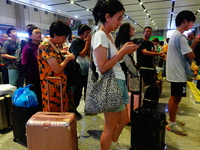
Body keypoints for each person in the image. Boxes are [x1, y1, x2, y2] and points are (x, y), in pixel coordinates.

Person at [92, 0, 140, 149]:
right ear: (107, 16)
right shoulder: (100, 35)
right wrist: (122, 52)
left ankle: (113, 143)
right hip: (111, 84)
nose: (120, 23)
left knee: (125, 119)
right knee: (109, 127)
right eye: (118, 18)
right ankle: (110, 144)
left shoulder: (109, 36)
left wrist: (124, 52)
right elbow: (102, 67)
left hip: (118, 82)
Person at [166, 10, 196, 136]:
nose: (192, 25)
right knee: (175, 97)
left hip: (175, 71)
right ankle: (172, 124)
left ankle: (172, 120)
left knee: (176, 97)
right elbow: (191, 55)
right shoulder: (181, 37)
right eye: (191, 22)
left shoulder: (175, 35)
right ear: (184, 21)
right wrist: (196, 43)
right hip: (178, 73)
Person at [37, 20, 74, 112]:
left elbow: (53, 58)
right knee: (54, 115)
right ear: (55, 34)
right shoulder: (45, 46)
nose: (64, 40)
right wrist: (68, 59)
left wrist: (63, 53)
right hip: (51, 88)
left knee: (61, 113)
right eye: (63, 37)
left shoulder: (53, 45)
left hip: (58, 85)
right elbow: (57, 69)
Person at [69, 24, 91, 116]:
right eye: (87, 32)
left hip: (86, 69)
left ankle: (87, 108)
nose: (88, 35)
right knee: (77, 92)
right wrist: (86, 43)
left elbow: (89, 54)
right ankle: (73, 109)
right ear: (82, 32)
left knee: (87, 90)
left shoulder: (86, 42)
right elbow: (82, 54)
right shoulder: (76, 42)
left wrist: (88, 44)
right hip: (78, 70)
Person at [21, 25, 42, 110]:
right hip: (33, 77)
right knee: (35, 97)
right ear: (30, 36)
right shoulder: (27, 48)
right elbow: (24, 64)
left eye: (40, 33)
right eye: (36, 33)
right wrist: (28, 81)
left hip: (43, 76)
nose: (39, 34)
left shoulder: (42, 46)